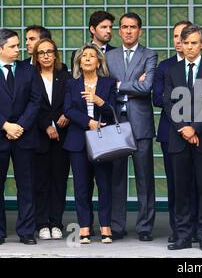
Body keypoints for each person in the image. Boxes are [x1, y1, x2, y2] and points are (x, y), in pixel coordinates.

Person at [164, 24, 202, 251]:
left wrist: (195, 128)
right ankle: (183, 235)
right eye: (186, 43)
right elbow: (169, 103)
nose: (189, 47)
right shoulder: (172, 70)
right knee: (181, 189)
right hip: (179, 137)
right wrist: (185, 129)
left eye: (194, 43)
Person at [106, 12, 157, 241]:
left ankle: (145, 227)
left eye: (133, 27)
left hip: (141, 122)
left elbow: (147, 88)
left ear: (140, 30)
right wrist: (134, 84)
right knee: (117, 176)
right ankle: (117, 225)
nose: (128, 31)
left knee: (144, 177)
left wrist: (120, 85)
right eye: (124, 27)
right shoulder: (109, 56)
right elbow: (105, 87)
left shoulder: (150, 54)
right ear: (119, 30)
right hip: (116, 120)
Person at [63, 43, 116, 244]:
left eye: (91, 55)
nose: (87, 58)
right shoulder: (72, 84)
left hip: (103, 140)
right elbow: (68, 110)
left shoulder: (108, 83)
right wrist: (89, 122)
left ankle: (105, 227)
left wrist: (99, 101)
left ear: (98, 61)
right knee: (82, 187)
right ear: (79, 61)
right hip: (78, 141)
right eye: (84, 55)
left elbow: (113, 111)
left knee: (104, 185)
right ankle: (84, 227)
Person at [153, 20, 200, 244]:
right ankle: (178, 229)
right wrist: (183, 120)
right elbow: (158, 97)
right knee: (176, 184)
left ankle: (198, 228)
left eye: (185, 36)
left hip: (200, 130)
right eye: (176, 37)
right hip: (171, 131)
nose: (180, 41)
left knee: (197, 183)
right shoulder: (165, 66)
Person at [0, 28, 41, 245]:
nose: (19, 49)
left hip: (24, 136)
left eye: (18, 45)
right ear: (0, 48)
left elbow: (36, 100)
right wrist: (5, 125)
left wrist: (20, 126)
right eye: (13, 46)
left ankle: (26, 232)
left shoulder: (28, 70)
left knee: (26, 185)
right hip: (1, 134)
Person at [32, 38, 70, 240]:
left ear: (55, 54)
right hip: (39, 137)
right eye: (41, 52)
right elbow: (30, 104)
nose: (46, 55)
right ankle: (42, 223)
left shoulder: (64, 75)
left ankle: (56, 222)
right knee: (41, 182)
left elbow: (71, 99)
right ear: (36, 57)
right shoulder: (31, 76)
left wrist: (67, 114)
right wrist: (46, 125)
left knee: (59, 181)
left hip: (62, 137)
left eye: (49, 51)